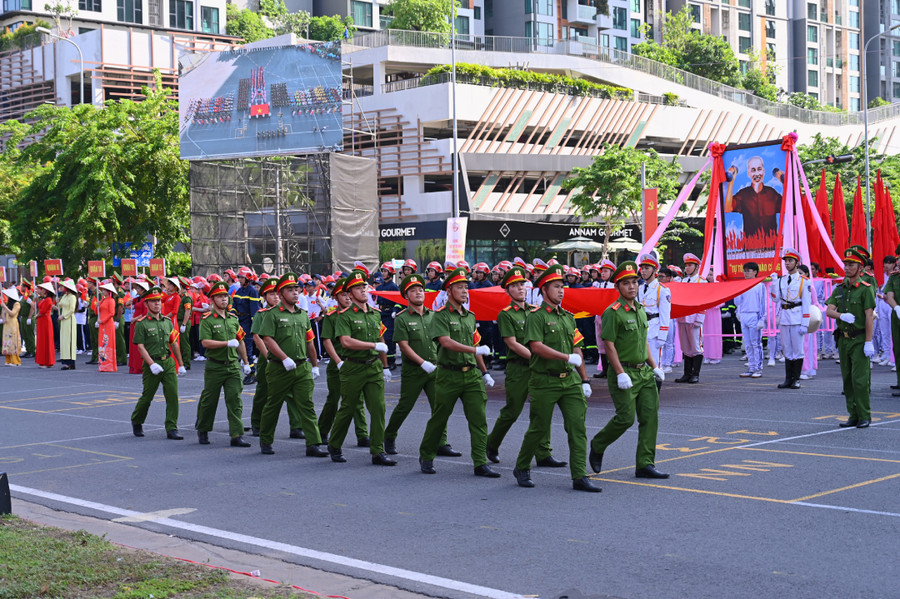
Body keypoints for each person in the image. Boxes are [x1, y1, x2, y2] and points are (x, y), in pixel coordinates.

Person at [511, 264, 598, 492]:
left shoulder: (568, 317)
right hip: (544, 381)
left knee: (577, 427)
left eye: (562, 287)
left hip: (569, 381)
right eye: (556, 287)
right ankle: (522, 466)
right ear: (544, 289)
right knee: (538, 428)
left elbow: (577, 348)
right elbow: (536, 346)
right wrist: (566, 356)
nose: (561, 291)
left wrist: (585, 379)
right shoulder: (536, 317)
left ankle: (579, 475)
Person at [590, 261, 669, 480]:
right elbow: (609, 344)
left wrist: (655, 367)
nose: (632, 286)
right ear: (618, 287)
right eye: (626, 283)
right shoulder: (612, 313)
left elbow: (643, 342)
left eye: (635, 281)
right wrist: (619, 373)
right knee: (625, 418)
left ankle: (645, 463)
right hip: (623, 372)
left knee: (650, 417)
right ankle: (598, 443)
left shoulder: (641, 310)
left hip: (643, 372)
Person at [418, 267, 500, 478]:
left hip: (471, 375)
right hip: (448, 375)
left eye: (466, 287)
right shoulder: (441, 316)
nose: (465, 291)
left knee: (478, 419)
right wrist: (475, 350)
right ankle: (426, 455)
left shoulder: (470, 316)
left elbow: (476, 346)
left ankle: (480, 462)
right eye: (460, 287)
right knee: (440, 418)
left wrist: (484, 372)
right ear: (449, 290)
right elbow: (446, 342)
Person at [486, 266, 565, 468]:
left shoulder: (535, 312)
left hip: (537, 368)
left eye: (522, 284)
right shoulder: (507, 314)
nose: (520, 288)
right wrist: (538, 356)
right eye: (515, 285)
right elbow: (512, 343)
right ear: (507, 290)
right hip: (518, 368)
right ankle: (492, 444)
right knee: (512, 411)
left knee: (541, 410)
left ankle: (543, 453)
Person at [384, 273, 461, 457]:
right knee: (405, 406)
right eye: (413, 290)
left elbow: (442, 341)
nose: (418, 293)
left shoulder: (434, 316)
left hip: (435, 368)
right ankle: (389, 435)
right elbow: (403, 345)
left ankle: (441, 442)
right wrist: (422, 363)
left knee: (440, 407)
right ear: (406, 295)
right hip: (414, 369)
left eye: (420, 290)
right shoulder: (402, 318)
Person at [326, 269, 394, 465]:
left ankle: (377, 451)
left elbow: (380, 337)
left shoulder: (375, 314)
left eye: (364, 286)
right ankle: (335, 444)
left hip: (373, 366)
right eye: (357, 287)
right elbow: (346, 342)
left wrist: (385, 365)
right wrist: (373, 346)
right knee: (347, 408)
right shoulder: (344, 316)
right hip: (353, 367)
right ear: (349, 293)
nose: (363, 290)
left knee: (379, 408)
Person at [257, 273, 328, 456]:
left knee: (307, 405)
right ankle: (265, 440)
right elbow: (267, 339)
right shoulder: (272, 315)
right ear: (280, 294)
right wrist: (284, 358)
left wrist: (314, 365)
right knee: (273, 404)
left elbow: (310, 342)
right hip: (279, 368)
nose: (295, 293)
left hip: (301, 367)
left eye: (297, 289)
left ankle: (313, 444)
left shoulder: (302, 315)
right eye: (290, 290)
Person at [195, 280, 254, 448]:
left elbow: (241, 341)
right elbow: (205, 342)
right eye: (219, 297)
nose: (224, 300)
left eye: (225, 297)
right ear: (212, 300)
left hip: (233, 366)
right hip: (215, 366)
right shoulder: (207, 319)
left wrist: (246, 362)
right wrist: (226, 343)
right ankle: (203, 429)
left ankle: (237, 434)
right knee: (209, 400)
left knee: (235, 399)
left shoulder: (233, 319)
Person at [825, 248, 876, 428]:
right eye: (845, 264)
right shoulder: (840, 289)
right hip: (844, 340)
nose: (847, 268)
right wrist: (840, 316)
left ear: (860, 268)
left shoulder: (865, 289)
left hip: (860, 339)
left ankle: (864, 415)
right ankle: (853, 414)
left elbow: (869, 316)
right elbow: (829, 310)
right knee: (847, 379)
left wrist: (869, 341)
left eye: (851, 264)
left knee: (860, 380)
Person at [317, 277, 369, 446]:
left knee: (357, 400)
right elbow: (327, 341)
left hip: (356, 363)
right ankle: (322, 431)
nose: (347, 297)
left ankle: (362, 435)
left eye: (349, 294)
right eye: (343, 294)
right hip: (338, 364)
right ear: (336, 297)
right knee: (334, 399)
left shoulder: (359, 315)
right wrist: (338, 362)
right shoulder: (332, 317)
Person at [131, 285, 187, 439]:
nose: (157, 304)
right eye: (153, 301)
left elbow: (174, 343)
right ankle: (137, 420)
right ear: (146, 304)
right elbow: (140, 347)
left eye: (159, 301)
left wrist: (180, 364)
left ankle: (171, 427)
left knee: (172, 396)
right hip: (152, 363)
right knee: (147, 397)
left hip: (168, 362)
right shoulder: (142, 323)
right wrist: (151, 364)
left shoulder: (167, 321)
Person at [769, 248, 811, 389]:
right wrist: (774, 283)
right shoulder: (781, 280)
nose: (787, 264)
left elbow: (806, 303)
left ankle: (796, 379)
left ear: (797, 263)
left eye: (790, 261)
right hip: (785, 317)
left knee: (798, 349)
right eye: (786, 261)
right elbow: (775, 300)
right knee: (787, 349)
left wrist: (805, 323)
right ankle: (788, 379)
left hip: (797, 317)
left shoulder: (803, 281)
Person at [725, 155, 781, 244]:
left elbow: (789, 207)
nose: (757, 174)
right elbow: (728, 208)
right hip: (750, 249)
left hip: (772, 249)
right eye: (753, 170)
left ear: (763, 171)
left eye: (759, 169)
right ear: (749, 173)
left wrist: (785, 181)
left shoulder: (772, 193)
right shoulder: (743, 194)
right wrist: (731, 182)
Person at [637, 254, 671, 369]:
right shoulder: (639, 289)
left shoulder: (662, 289)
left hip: (654, 330)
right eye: (642, 268)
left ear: (654, 270)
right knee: (641, 364)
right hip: (641, 329)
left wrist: (662, 336)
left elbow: (665, 314)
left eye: (647, 268)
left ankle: (656, 387)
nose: (643, 271)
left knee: (655, 365)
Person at [675, 253, 705, 383]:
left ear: (697, 267)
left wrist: (699, 318)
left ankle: (695, 373)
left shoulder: (701, 281)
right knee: (685, 346)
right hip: (683, 318)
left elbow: (703, 301)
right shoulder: (682, 281)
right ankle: (687, 373)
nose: (687, 268)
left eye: (690, 265)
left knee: (696, 346)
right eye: (686, 265)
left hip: (694, 318)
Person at [734, 262, 765, 378]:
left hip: (755, 315)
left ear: (755, 272)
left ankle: (758, 368)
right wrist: (738, 312)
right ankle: (751, 367)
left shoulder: (760, 285)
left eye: (748, 270)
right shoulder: (743, 284)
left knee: (755, 343)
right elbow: (739, 302)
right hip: (744, 315)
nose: (746, 273)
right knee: (747, 343)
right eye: (745, 271)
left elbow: (763, 303)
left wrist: (762, 318)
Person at [592, 260, 616, 378]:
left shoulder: (614, 286)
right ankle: (605, 370)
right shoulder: (599, 285)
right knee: (600, 343)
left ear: (612, 272)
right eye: (602, 271)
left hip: (610, 317)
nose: (603, 273)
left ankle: (613, 369)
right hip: (599, 317)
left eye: (606, 271)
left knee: (611, 342)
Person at [375, 262, 400, 370]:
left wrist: (395, 310)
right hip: (381, 314)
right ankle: (383, 359)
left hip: (390, 314)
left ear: (390, 273)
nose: (383, 273)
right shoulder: (380, 287)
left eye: (385, 271)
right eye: (383, 271)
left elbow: (399, 301)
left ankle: (391, 361)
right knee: (380, 337)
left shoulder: (393, 287)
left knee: (388, 338)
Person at [128, 280, 151, 374]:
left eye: (138, 288)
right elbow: (128, 303)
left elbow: (145, 313)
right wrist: (128, 301)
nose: (137, 289)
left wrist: (135, 318)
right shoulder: (137, 298)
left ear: (143, 289)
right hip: (134, 322)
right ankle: (134, 365)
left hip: (141, 322)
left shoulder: (146, 299)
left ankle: (140, 366)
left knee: (139, 344)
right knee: (133, 345)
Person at [57, 279, 78, 370]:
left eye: (63, 286)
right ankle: (66, 360)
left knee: (69, 340)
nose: (61, 288)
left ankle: (70, 362)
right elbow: (60, 306)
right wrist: (56, 302)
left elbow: (72, 310)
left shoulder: (72, 297)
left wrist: (64, 316)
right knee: (64, 340)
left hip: (69, 319)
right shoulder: (64, 296)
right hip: (64, 320)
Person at [35, 282, 56, 368]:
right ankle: (42, 360)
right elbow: (38, 307)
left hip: (45, 321)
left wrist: (36, 315)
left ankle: (47, 361)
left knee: (46, 340)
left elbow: (42, 311)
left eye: (41, 289)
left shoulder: (48, 300)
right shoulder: (42, 299)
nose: (39, 290)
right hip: (41, 321)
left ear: (45, 291)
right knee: (41, 340)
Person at [1, 286, 22, 366]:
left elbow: (12, 314)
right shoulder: (7, 304)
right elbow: (4, 314)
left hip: (13, 324)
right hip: (7, 324)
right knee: (6, 342)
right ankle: (8, 360)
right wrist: (3, 313)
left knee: (12, 342)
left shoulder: (17, 304)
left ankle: (15, 361)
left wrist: (5, 307)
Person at [19, 281, 35, 359]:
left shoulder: (31, 295)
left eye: (22, 286)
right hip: (23, 317)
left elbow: (33, 307)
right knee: (25, 335)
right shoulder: (24, 296)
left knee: (30, 335)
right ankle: (28, 350)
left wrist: (29, 317)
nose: (21, 287)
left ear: (26, 287)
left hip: (29, 317)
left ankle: (32, 351)